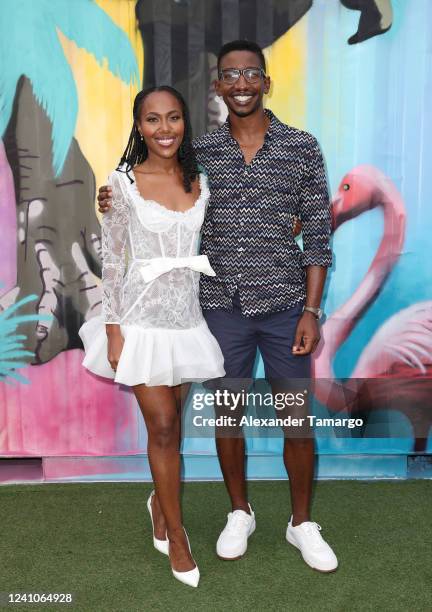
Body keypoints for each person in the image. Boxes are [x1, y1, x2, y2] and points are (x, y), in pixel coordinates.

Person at [98, 40, 338, 573]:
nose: (242, 84)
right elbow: (150, 196)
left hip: (285, 308)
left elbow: (317, 236)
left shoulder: (302, 147)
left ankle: (301, 524)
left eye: (252, 73)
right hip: (218, 309)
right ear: (218, 87)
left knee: (296, 420)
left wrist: (312, 311)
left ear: (266, 82)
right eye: (230, 76)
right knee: (228, 416)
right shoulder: (198, 153)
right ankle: (238, 512)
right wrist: (111, 195)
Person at [79, 85, 226, 588]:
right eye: (152, 119)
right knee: (162, 426)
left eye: (174, 118)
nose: (164, 129)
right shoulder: (120, 184)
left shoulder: (199, 179)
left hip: (185, 323)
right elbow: (114, 261)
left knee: (173, 426)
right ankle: (178, 535)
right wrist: (114, 328)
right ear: (138, 125)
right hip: (139, 323)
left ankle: (159, 505)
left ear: (186, 122)